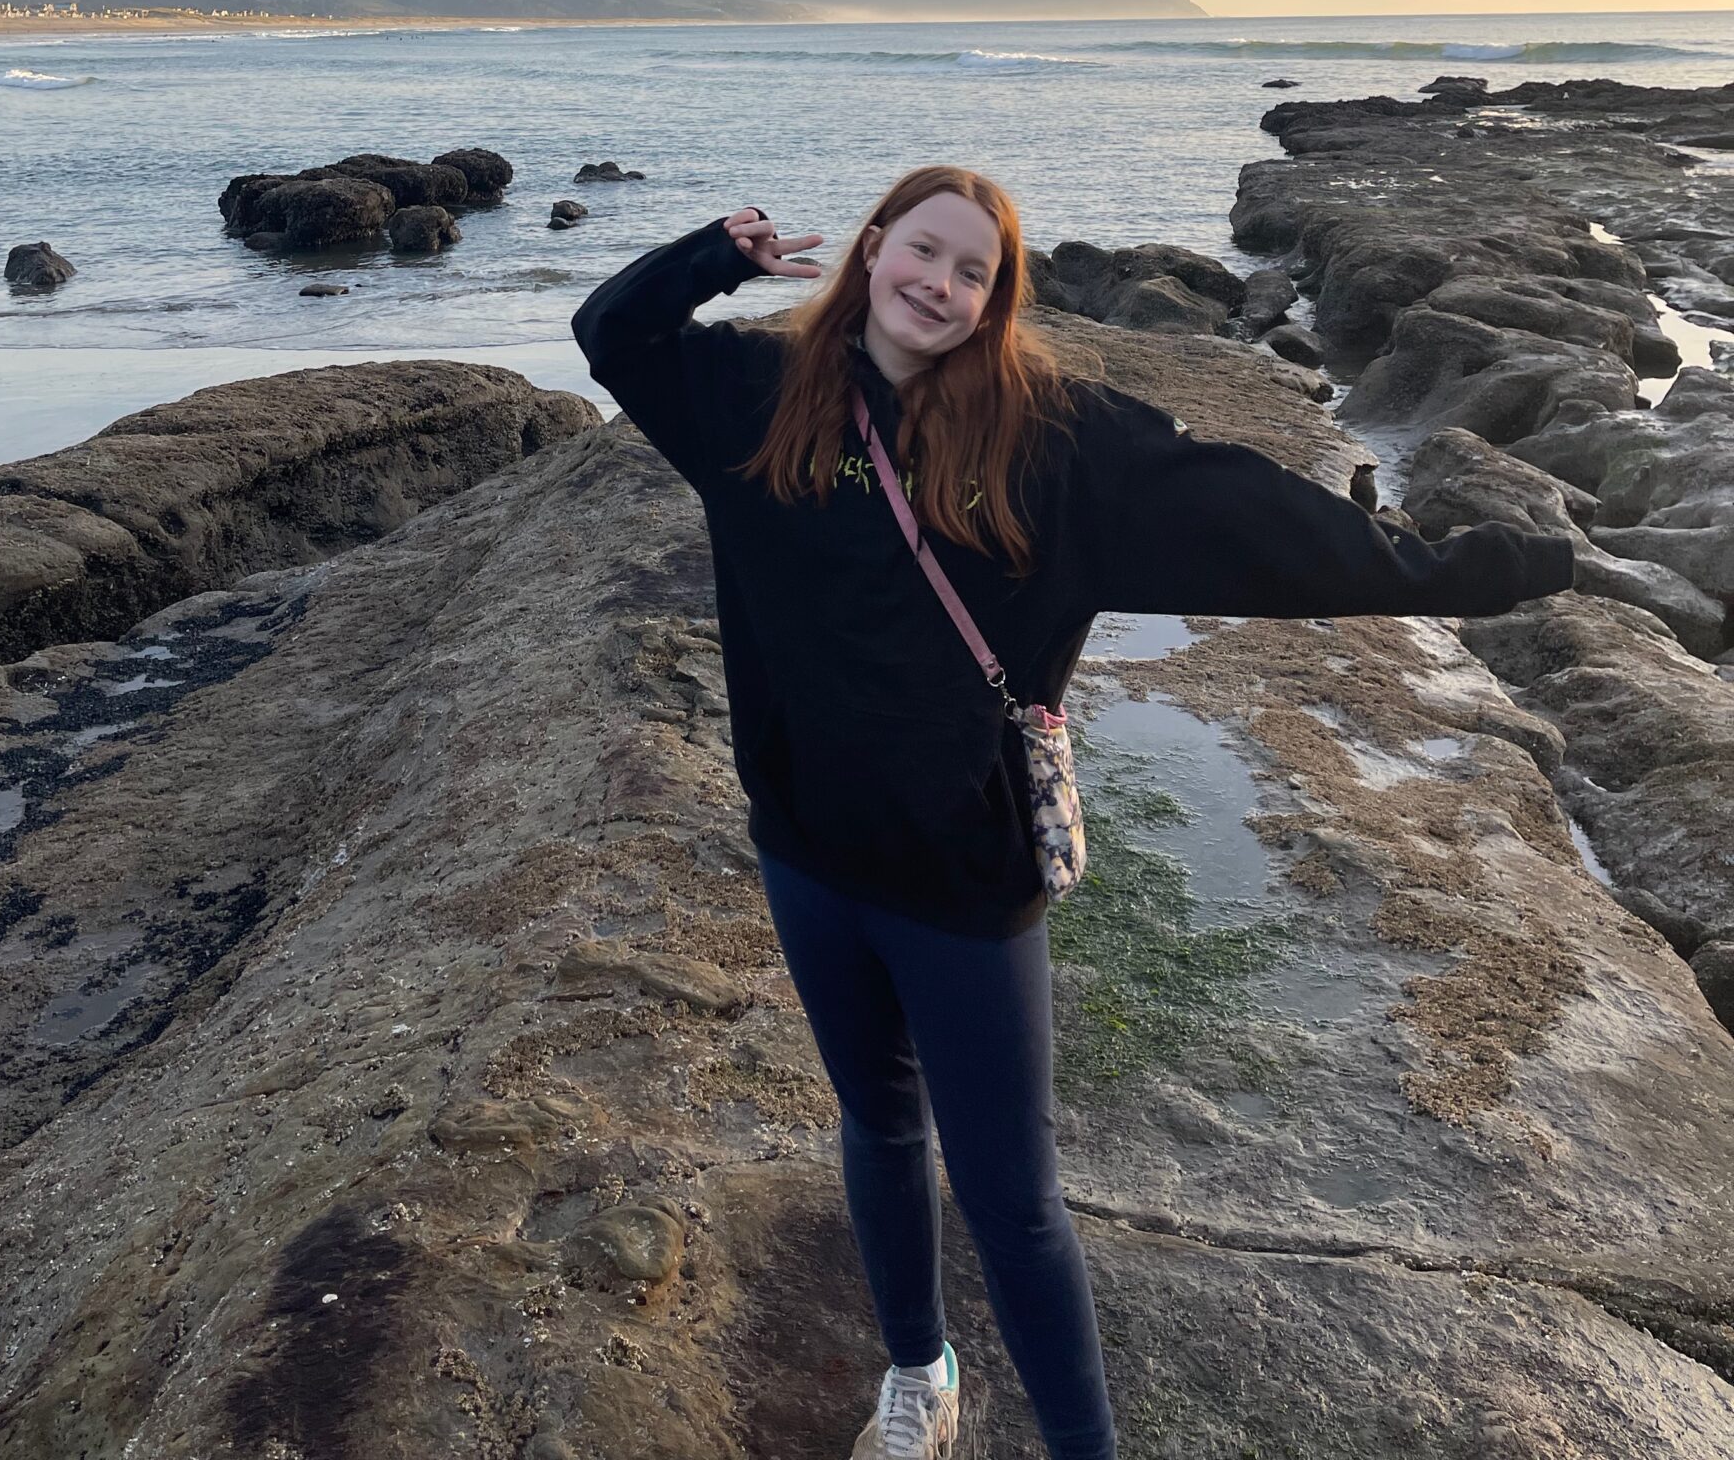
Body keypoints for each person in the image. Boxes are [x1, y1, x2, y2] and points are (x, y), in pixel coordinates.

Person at [571, 166, 1574, 1460]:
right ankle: (919, 1375)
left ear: (995, 301)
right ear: (871, 252)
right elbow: (612, 337)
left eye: (971, 272)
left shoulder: (1054, 444)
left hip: (967, 888)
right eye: (919, 252)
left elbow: (1259, 522)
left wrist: (1486, 571)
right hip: (807, 855)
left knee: (1013, 1203)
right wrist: (713, 254)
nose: (937, 284)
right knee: (876, 1126)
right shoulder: (754, 405)